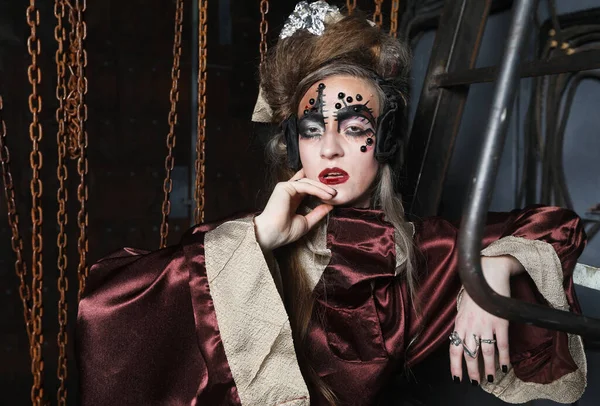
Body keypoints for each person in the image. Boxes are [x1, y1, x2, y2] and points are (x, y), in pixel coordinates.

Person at [76, 2, 587, 405]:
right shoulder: (241, 249)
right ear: (292, 142)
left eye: (356, 127)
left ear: (384, 141)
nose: (330, 149)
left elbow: (558, 226)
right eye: (313, 130)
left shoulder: (421, 249)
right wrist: (258, 238)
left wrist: (490, 271)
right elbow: (106, 308)